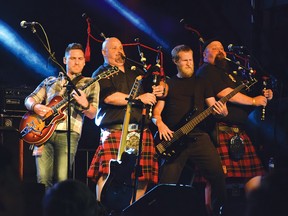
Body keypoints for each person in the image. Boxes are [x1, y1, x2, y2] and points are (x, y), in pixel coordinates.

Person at [87, 37, 165, 205]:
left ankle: (133, 210)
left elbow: (152, 93)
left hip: (140, 130)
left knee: (142, 177)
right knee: (107, 173)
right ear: (104, 52)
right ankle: (102, 211)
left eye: (120, 47)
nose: (119, 51)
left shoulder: (135, 71)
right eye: (114, 48)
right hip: (115, 130)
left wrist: (160, 90)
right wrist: (139, 98)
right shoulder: (101, 72)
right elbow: (110, 98)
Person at [152, 44, 227, 216]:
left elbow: (213, 107)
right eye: (184, 60)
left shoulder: (203, 83)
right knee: (165, 186)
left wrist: (222, 112)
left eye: (191, 60)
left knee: (217, 175)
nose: (189, 64)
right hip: (174, 139)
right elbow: (156, 113)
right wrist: (160, 124)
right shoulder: (169, 84)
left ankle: (220, 211)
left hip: (198, 137)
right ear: (175, 62)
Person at [196, 40, 273, 189]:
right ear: (205, 55)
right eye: (214, 48)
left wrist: (264, 95)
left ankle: (253, 209)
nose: (220, 50)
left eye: (222, 48)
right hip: (220, 130)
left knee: (254, 174)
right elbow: (225, 93)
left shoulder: (229, 73)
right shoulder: (206, 70)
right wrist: (253, 101)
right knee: (217, 177)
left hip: (239, 131)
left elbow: (246, 93)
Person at [24, 43, 99, 189]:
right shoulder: (50, 81)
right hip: (42, 134)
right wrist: (36, 106)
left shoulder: (90, 83)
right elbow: (29, 99)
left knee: (61, 181)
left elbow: (93, 114)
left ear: (84, 61)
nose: (76, 62)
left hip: (68, 134)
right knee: (42, 180)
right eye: (72, 58)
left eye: (80, 58)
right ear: (64, 60)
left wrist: (85, 104)